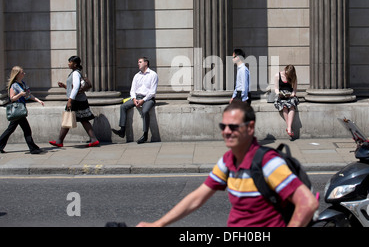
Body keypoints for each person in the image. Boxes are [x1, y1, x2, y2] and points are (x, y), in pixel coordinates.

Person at [137, 101, 318, 227]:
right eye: (223, 127)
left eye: (233, 127)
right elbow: (197, 198)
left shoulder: (268, 163)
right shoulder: (228, 160)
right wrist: (159, 223)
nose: (226, 132)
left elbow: (308, 203)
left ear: (250, 127)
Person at [49, 56, 99, 148]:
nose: (68, 63)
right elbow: (74, 88)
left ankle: (59, 141)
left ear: (75, 64)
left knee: (68, 119)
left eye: (70, 62)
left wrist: (70, 100)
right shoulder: (75, 73)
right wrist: (65, 86)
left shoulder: (75, 73)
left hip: (75, 100)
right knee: (83, 119)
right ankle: (94, 139)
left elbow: (76, 87)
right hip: (79, 100)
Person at [112, 57, 158, 144]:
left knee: (145, 111)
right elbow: (132, 90)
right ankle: (122, 130)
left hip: (148, 99)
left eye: (140, 62)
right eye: (138, 62)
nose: (138, 64)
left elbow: (152, 92)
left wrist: (143, 100)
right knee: (123, 106)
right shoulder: (137, 75)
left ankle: (145, 135)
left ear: (146, 63)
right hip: (137, 97)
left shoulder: (153, 75)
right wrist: (134, 99)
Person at [0, 66, 44, 154]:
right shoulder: (14, 85)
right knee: (26, 130)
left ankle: (33, 148)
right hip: (17, 110)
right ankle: (33, 148)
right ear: (17, 74)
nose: (24, 74)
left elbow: (28, 95)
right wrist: (20, 94)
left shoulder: (23, 84)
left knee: (11, 130)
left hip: (21, 109)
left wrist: (38, 100)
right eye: (22, 72)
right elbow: (12, 98)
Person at [274, 65, 299, 138]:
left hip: (290, 95)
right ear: (285, 69)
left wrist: (292, 94)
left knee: (291, 106)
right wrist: (279, 94)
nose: (286, 75)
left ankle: (289, 128)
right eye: (286, 73)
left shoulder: (293, 77)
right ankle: (289, 128)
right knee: (284, 106)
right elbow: (276, 89)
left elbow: (294, 90)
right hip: (281, 95)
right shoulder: (277, 75)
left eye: (288, 74)